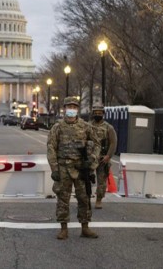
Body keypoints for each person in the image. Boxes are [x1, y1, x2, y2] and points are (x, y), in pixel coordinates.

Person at [47, 96, 100, 240]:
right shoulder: (57, 127)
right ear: (64, 109)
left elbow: (97, 144)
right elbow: (51, 147)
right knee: (63, 198)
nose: (71, 110)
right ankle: (63, 228)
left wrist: (91, 162)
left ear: (77, 109)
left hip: (81, 168)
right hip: (63, 167)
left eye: (74, 107)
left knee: (84, 198)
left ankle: (85, 227)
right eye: (69, 107)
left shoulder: (86, 127)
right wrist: (54, 169)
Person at [90, 103, 117, 209]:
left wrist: (108, 156)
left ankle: (98, 200)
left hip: (103, 158)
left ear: (103, 114)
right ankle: (86, 199)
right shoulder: (88, 126)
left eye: (99, 113)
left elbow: (113, 143)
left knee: (101, 181)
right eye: (96, 112)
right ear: (93, 113)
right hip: (91, 158)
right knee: (86, 179)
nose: (97, 114)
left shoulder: (108, 128)